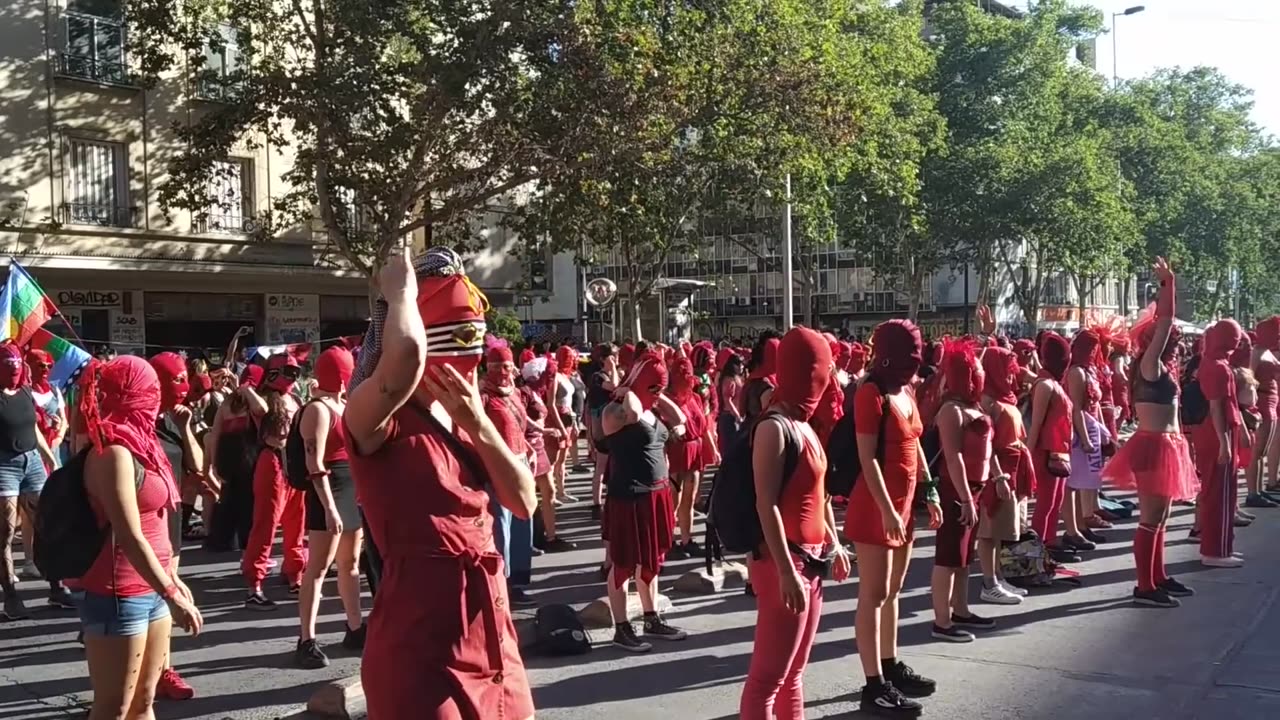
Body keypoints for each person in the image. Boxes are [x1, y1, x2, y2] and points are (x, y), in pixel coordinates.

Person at [345, 246, 536, 720]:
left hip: (490, 632)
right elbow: (405, 358)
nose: (464, 371)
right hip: (417, 643)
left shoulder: (477, 414)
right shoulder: (375, 417)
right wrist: (399, 294)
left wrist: (479, 423)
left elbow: (524, 501)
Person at [78, 356, 203, 720]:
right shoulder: (113, 453)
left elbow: (158, 521)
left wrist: (172, 579)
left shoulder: (144, 444)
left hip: (152, 589)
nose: (156, 397)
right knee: (113, 710)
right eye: (151, 389)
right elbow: (130, 535)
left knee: (144, 703)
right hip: (118, 595)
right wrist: (170, 591)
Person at [739, 327, 851, 719]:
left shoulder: (803, 425)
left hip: (811, 560)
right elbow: (764, 504)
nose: (828, 379)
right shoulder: (774, 427)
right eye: (823, 370)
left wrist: (834, 542)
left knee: (793, 675)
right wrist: (787, 572)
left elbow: (818, 496)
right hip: (784, 562)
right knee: (768, 679)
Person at [844, 320, 942, 717]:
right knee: (874, 593)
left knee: (894, 591)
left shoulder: (905, 390)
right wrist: (886, 509)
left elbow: (915, 442)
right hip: (876, 506)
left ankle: (890, 664)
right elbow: (867, 457)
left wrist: (929, 489)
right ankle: (873, 684)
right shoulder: (870, 392)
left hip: (903, 505)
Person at [1101, 258, 1199, 603]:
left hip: (1166, 444)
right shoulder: (1149, 362)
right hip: (1156, 446)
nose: (1178, 340)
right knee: (1151, 517)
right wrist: (1167, 285)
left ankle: (1157, 576)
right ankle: (1145, 585)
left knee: (1162, 515)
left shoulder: (1158, 365)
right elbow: (1166, 321)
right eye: (1175, 338)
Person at [601, 353, 689, 652]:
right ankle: (621, 627)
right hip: (628, 496)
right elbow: (635, 414)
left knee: (652, 561)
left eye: (660, 387)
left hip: (656, 495)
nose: (657, 394)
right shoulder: (615, 411)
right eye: (653, 387)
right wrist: (628, 391)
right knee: (623, 563)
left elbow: (681, 420)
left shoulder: (654, 409)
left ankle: (651, 618)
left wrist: (659, 395)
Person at [295, 346, 364, 668]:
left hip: (349, 492)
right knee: (318, 569)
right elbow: (314, 461)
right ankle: (306, 638)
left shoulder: (343, 405)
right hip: (329, 494)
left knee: (350, 565)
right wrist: (329, 507)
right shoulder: (318, 410)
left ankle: (355, 626)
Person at [930, 338, 998, 642]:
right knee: (948, 556)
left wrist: (998, 477)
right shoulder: (951, 411)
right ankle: (942, 622)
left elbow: (988, 447)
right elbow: (953, 455)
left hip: (975, 488)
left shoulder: (970, 407)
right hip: (956, 491)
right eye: (973, 372)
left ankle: (960, 608)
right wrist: (965, 498)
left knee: (964, 557)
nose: (979, 376)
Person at [149, 352, 203, 700]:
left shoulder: (174, 421)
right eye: (177, 379)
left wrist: (184, 428)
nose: (184, 386)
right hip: (143, 522)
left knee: (164, 601)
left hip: (171, 520)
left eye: (186, 378)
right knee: (149, 601)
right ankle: (143, 671)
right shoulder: (134, 422)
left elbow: (196, 466)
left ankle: (163, 669)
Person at [0, 343, 63, 618]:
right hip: (4, 466)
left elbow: (35, 427)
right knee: (5, 532)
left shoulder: (26, 391)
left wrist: (50, 457)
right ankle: (11, 596)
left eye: (16, 366)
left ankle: (57, 587)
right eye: (7, 367)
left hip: (32, 462)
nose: (14, 371)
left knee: (46, 525)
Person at [480, 339, 537, 607]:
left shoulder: (514, 392)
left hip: (521, 460)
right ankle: (504, 582)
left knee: (524, 519)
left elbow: (518, 425)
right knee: (502, 526)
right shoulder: (483, 396)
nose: (506, 372)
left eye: (509, 366)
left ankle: (520, 581)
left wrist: (529, 449)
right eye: (500, 366)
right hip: (498, 465)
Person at [978, 347, 1030, 605]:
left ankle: (997, 577)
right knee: (988, 531)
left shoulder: (1004, 397)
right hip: (998, 472)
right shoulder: (987, 401)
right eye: (1007, 372)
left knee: (1000, 530)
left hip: (1013, 469)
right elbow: (987, 444)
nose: (1012, 377)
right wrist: (998, 477)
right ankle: (989, 583)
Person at [1193, 318, 1245, 568]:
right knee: (1221, 495)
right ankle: (1216, 551)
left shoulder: (1209, 362)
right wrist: (1225, 443)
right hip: (1218, 434)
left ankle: (1215, 547)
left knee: (1214, 492)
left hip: (1211, 433)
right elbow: (1217, 408)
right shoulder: (1219, 367)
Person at [1027, 332, 1076, 565]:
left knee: (1055, 501)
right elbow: (1036, 422)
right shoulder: (1045, 384)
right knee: (1045, 503)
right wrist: (1027, 456)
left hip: (1059, 449)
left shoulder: (1053, 382)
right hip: (1045, 451)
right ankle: (1039, 549)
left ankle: (1050, 541)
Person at [203, 365, 264, 552]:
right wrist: (214, 461)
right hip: (245, 457)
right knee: (243, 501)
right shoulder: (240, 402)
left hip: (232, 456)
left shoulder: (228, 402)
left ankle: (226, 539)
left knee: (230, 499)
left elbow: (216, 433)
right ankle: (241, 541)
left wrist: (214, 461)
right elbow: (261, 410)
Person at [521, 357, 574, 552]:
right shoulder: (524, 393)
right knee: (530, 495)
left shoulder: (536, 393)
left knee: (549, 491)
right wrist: (542, 431)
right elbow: (520, 417)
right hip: (529, 445)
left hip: (540, 445)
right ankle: (531, 538)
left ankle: (550, 537)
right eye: (549, 375)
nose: (551, 379)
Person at [1064, 330, 1109, 550]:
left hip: (1092, 429)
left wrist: (1102, 431)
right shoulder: (1076, 373)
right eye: (1090, 347)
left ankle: (1083, 523)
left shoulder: (1087, 371)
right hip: (1079, 433)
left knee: (1089, 479)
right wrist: (1084, 437)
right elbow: (1077, 408)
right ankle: (1077, 526)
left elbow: (1095, 406)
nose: (1093, 351)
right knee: (1076, 481)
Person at [666, 357, 707, 559]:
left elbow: (704, 425)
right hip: (675, 450)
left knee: (689, 499)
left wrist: (712, 449)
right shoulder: (666, 399)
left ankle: (686, 539)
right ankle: (668, 541)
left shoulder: (695, 398)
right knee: (673, 499)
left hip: (694, 449)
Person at [586, 344, 620, 519]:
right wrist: (613, 368)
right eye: (613, 356)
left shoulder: (609, 374)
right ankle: (596, 504)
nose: (616, 359)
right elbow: (613, 386)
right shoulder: (598, 377)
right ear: (603, 359)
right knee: (601, 467)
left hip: (612, 425)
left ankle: (609, 500)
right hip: (602, 427)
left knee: (612, 467)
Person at [1252, 317, 1280, 502]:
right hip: (1262, 401)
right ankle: (1255, 492)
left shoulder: (1267, 351)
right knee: (1257, 451)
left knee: (1263, 450)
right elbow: (1249, 377)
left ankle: (1260, 490)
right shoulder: (1257, 352)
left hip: (1271, 401)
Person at [550, 345, 578, 502]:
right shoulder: (555, 377)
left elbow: (570, 402)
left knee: (563, 459)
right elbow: (551, 404)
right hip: (557, 419)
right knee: (554, 459)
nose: (572, 360)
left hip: (568, 417)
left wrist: (573, 423)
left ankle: (561, 491)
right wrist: (559, 425)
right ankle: (553, 493)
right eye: (569, 357)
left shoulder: (566, 376)